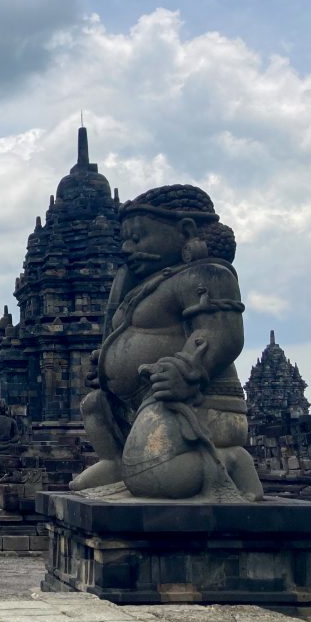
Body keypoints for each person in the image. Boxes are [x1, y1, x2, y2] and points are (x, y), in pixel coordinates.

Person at [70, 185, 262, 501]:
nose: (127, 248)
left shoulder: (208, 274)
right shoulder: (150, 285)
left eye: (137, 238)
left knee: (154, 478)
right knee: (94, 404)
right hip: (140, 402)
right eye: (124, 240)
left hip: (197, 402)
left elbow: (221, 334)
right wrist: (104, 364)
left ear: (186, 231)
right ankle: (114, 462)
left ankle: (232, 461)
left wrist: (187, 370)